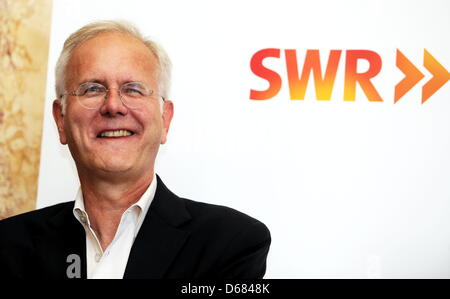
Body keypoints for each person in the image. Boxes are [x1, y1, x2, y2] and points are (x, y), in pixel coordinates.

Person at [0, 20, 271, 279]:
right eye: (93, 89)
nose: (113, 105)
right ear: (61, 120)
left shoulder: (230, 244)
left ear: (165, 119)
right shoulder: (8, 246)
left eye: (133, 90)